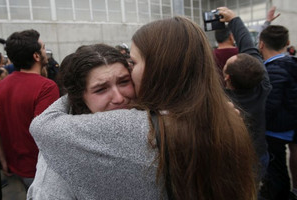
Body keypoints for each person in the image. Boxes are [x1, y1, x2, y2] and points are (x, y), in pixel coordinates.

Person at [30, 16, 257, 200]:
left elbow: (42, 125)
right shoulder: (222, 119)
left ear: (158, 70)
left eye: (131, 67)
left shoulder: (137, 126)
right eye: (100, 89)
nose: (118, 98)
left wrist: (72, 94)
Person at [27, 43, 136, 199]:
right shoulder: (58, 165)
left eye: (124, 82)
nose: (119, 98)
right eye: (101, 89)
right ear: (80, 97)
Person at [0, 29, 60, 191]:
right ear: (36, 56)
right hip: (40, 170)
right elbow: (48, 133)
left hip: (15, 167)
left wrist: (3, 159)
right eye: (43, 48)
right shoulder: (47, 87)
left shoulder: (2, 84)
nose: (46, 51)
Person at [219, 7, 271, 184]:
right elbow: (249, 47)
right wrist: (234, 19)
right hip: (258, 155)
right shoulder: (263, 86)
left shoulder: (221, 100)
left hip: (231, 161)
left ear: (227, 77)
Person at [258, 25, 297, 200]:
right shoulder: (292, 63)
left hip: (276, 131)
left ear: (261, 45)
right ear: (287, 43)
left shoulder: (273, 70)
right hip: (291, 127)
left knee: (276, 171)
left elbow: (270, 105)